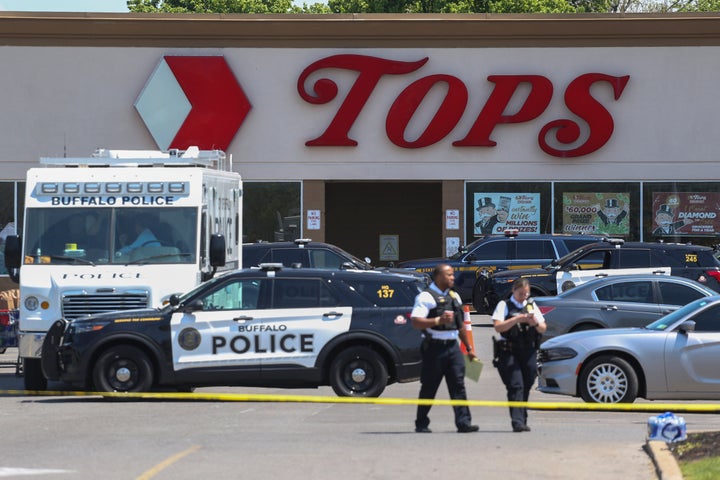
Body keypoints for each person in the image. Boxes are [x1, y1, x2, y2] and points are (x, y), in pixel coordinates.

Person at [412, 263, 479, 434]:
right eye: (449, 275)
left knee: (458, 385)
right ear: (438, 277)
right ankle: (421, 423)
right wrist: (437, 321)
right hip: (433, 348)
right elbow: (416, 321)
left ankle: (463, 422)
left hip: (453, 347)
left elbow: (460, 324)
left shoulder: (454, 296)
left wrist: (469, 349)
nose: (452, 278)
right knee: (429, 386)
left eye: (452, 275)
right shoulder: (426, 297)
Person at [492, 277, 546, 432]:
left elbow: (542, 328)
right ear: (513, 291)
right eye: (521, 293)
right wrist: (517, 319)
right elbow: (498, 327)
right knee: (516, 385)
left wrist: (533, 322)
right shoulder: (504, 305)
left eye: (526, 294)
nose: (523, 297)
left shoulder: (531, 305)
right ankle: (517, 421)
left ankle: (522, 417)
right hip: (509, 351)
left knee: (527, 384)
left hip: (528, 350)